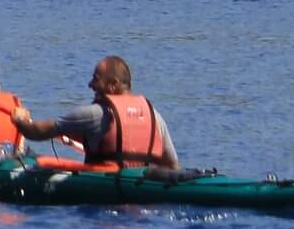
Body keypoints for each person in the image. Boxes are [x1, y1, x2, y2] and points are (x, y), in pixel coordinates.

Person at [14, 56, 177, 170]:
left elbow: (36, 132)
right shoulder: (155, 116)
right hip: (146, 190)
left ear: (113, 84)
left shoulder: (94, 115)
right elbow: (172, 166)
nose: (90, 85)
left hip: (102, 196)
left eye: (96, 79)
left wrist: (21, 121)